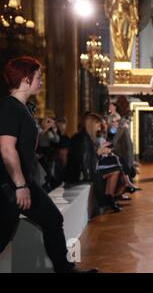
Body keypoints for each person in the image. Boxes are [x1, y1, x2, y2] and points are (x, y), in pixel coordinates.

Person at [0, 56, 97, 273]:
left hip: (21, 181)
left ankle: (65, 270)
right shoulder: (10, 107)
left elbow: (21, 142)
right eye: (38, 76)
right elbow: (7, 149)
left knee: (53, 219)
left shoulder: (21, 108)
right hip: (10, 184)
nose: (41, 81)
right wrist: (20, 186)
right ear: (26, 79)